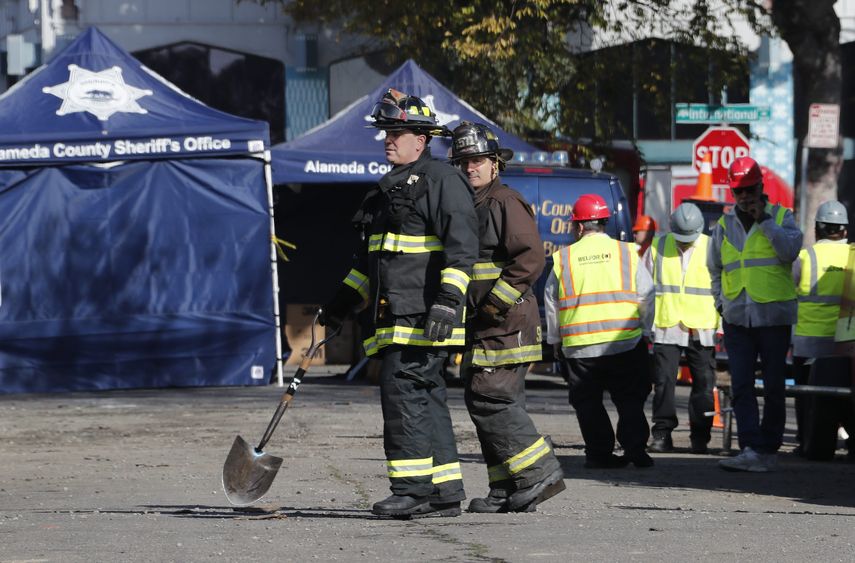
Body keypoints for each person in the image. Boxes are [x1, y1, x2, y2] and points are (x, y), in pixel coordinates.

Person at [318, 88, 479, 518]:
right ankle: (444, 493)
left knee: (404, 395)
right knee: (426, 397)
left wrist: (448, 301)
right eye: (387, 131)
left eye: (397, 131)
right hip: (398, 314)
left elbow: (463, 249)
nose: (388, 139)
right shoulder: (389, 192)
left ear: (421, 140)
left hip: (424, 316)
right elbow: (369, 262)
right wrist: (340, 304)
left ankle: (411, 490)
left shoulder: (441, 181)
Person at [448, 121, 565, 513]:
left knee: (489, 397)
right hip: (485, 324)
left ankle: (539, 473)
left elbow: (531, 257)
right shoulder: (473, 205)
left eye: (478, 160)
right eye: (463, 161)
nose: (470, 168)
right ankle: (506, 488)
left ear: (495, 163)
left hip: (506, 321)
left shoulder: (503, 202)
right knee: (486, 397)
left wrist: (496, 303)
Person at [544, 193, 655, 469]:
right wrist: (645, 329)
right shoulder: (627, 253)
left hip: (581, 347)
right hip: (624, 342)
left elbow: (551, 302)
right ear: (603, 222)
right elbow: (647, 295)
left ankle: (599, 453)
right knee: (629, 399)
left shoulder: (564, 259)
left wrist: (555, 339)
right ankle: (635, 449)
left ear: (579, 226)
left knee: (587, 403)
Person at [708, 156, 802, 472]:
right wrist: (720, 303)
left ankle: (769, 448)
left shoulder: (782, 217)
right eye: (739, 191)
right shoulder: (723, 225)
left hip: (773, 316)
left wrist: (765, 222)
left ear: (761, 186)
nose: (745, 196)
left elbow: (789, 251)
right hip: (737, 316)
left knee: (774, 384)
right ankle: (750, 447)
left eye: (750, 189)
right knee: (742, 384)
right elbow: (715, 269)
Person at [644, 202, 719, 455]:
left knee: (704, 384)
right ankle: (662, 433)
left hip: (703, 324)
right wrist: (645, 325)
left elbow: (724, 285)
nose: (685, 242)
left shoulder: (712, 247)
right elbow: (644, 288)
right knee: (664, 382)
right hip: (668, 322)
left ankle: (701, 436)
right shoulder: (658, 246)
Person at [792, 200, 852, 455]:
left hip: (809, 338)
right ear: (845, 230)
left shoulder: (806, 256)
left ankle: (807, 442)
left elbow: (791, 288)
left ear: (817, 229)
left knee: (806, 394)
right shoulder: (852, 255)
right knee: (847, 393)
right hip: (845, 339)